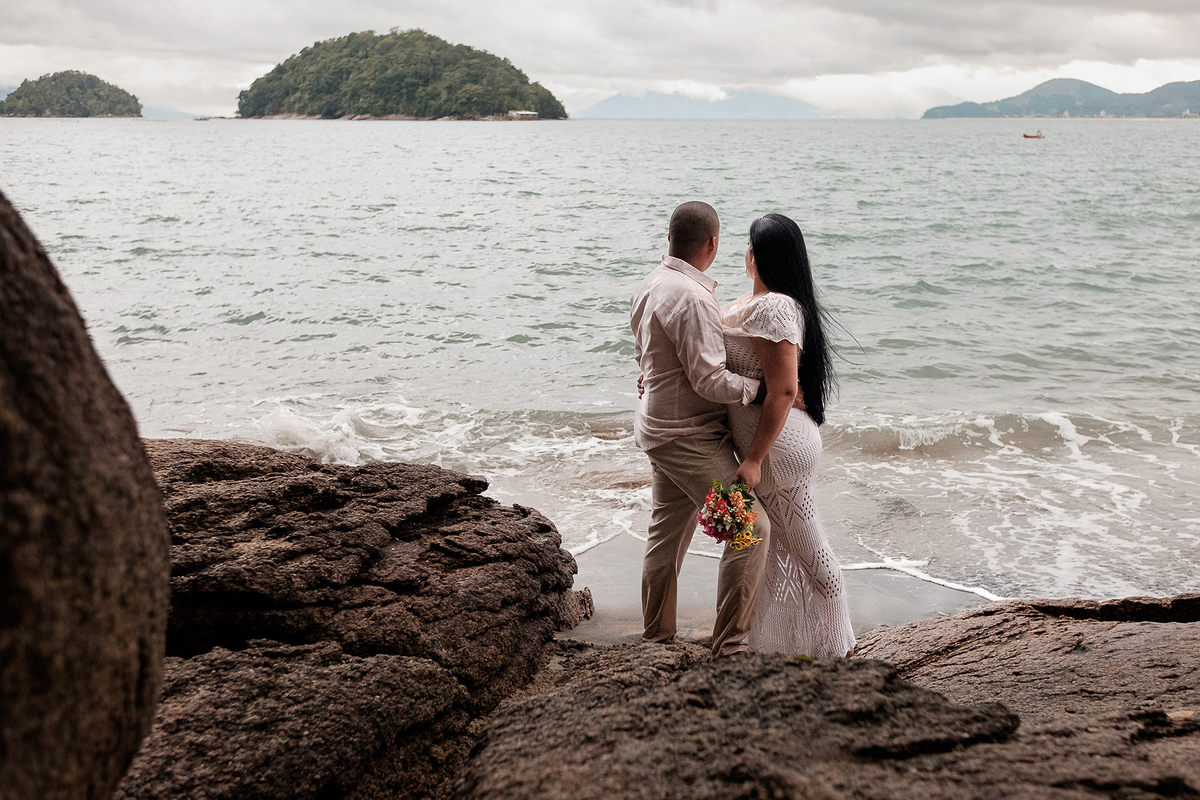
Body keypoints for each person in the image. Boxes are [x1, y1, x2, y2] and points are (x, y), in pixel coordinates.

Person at [629, 201, 772, 658]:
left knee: (666, 535)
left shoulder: (649, 285)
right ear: (713, 243)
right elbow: (710, 380)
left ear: (670, 238)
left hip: (657, 429)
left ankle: (657, 638)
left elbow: (646, 359)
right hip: (687, 436)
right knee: (750, 528)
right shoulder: (691, 297)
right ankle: (730, 647)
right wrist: (764, 389)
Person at [721, 213, 856, 658]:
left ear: (757, 255)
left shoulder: (776, 307)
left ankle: (840, 651)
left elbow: (783, 389)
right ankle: (789, 647)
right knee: (779, 549)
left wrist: (754, 459)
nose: (745, 252)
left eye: (748, 245)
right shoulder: (751, 302)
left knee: (811, 554)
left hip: (778, 449)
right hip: (774, 443)